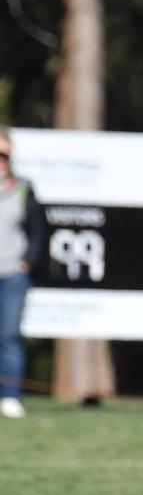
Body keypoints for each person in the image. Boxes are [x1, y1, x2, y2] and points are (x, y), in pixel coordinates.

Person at [0, 128, 46, 419]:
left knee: (9, 336)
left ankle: (11, 396)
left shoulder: (24, 186)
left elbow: (39, 230)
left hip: (13, 273)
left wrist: (28, 261)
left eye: (4, 154)